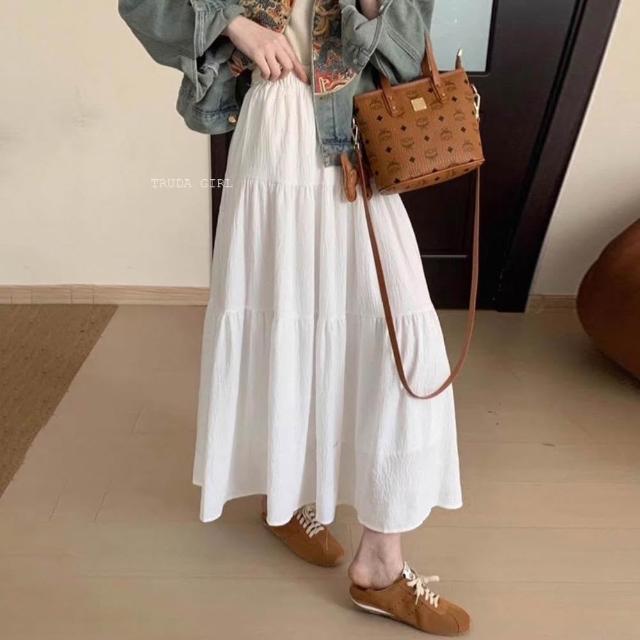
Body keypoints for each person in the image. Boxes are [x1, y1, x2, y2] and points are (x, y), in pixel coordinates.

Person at [119, 0, 470, 635]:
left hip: (352, 146)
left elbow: (406, 52)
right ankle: (286, 499)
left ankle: (378, 560)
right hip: (273, 138)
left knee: (397, 341)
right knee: (283, 326)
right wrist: (238, 27)